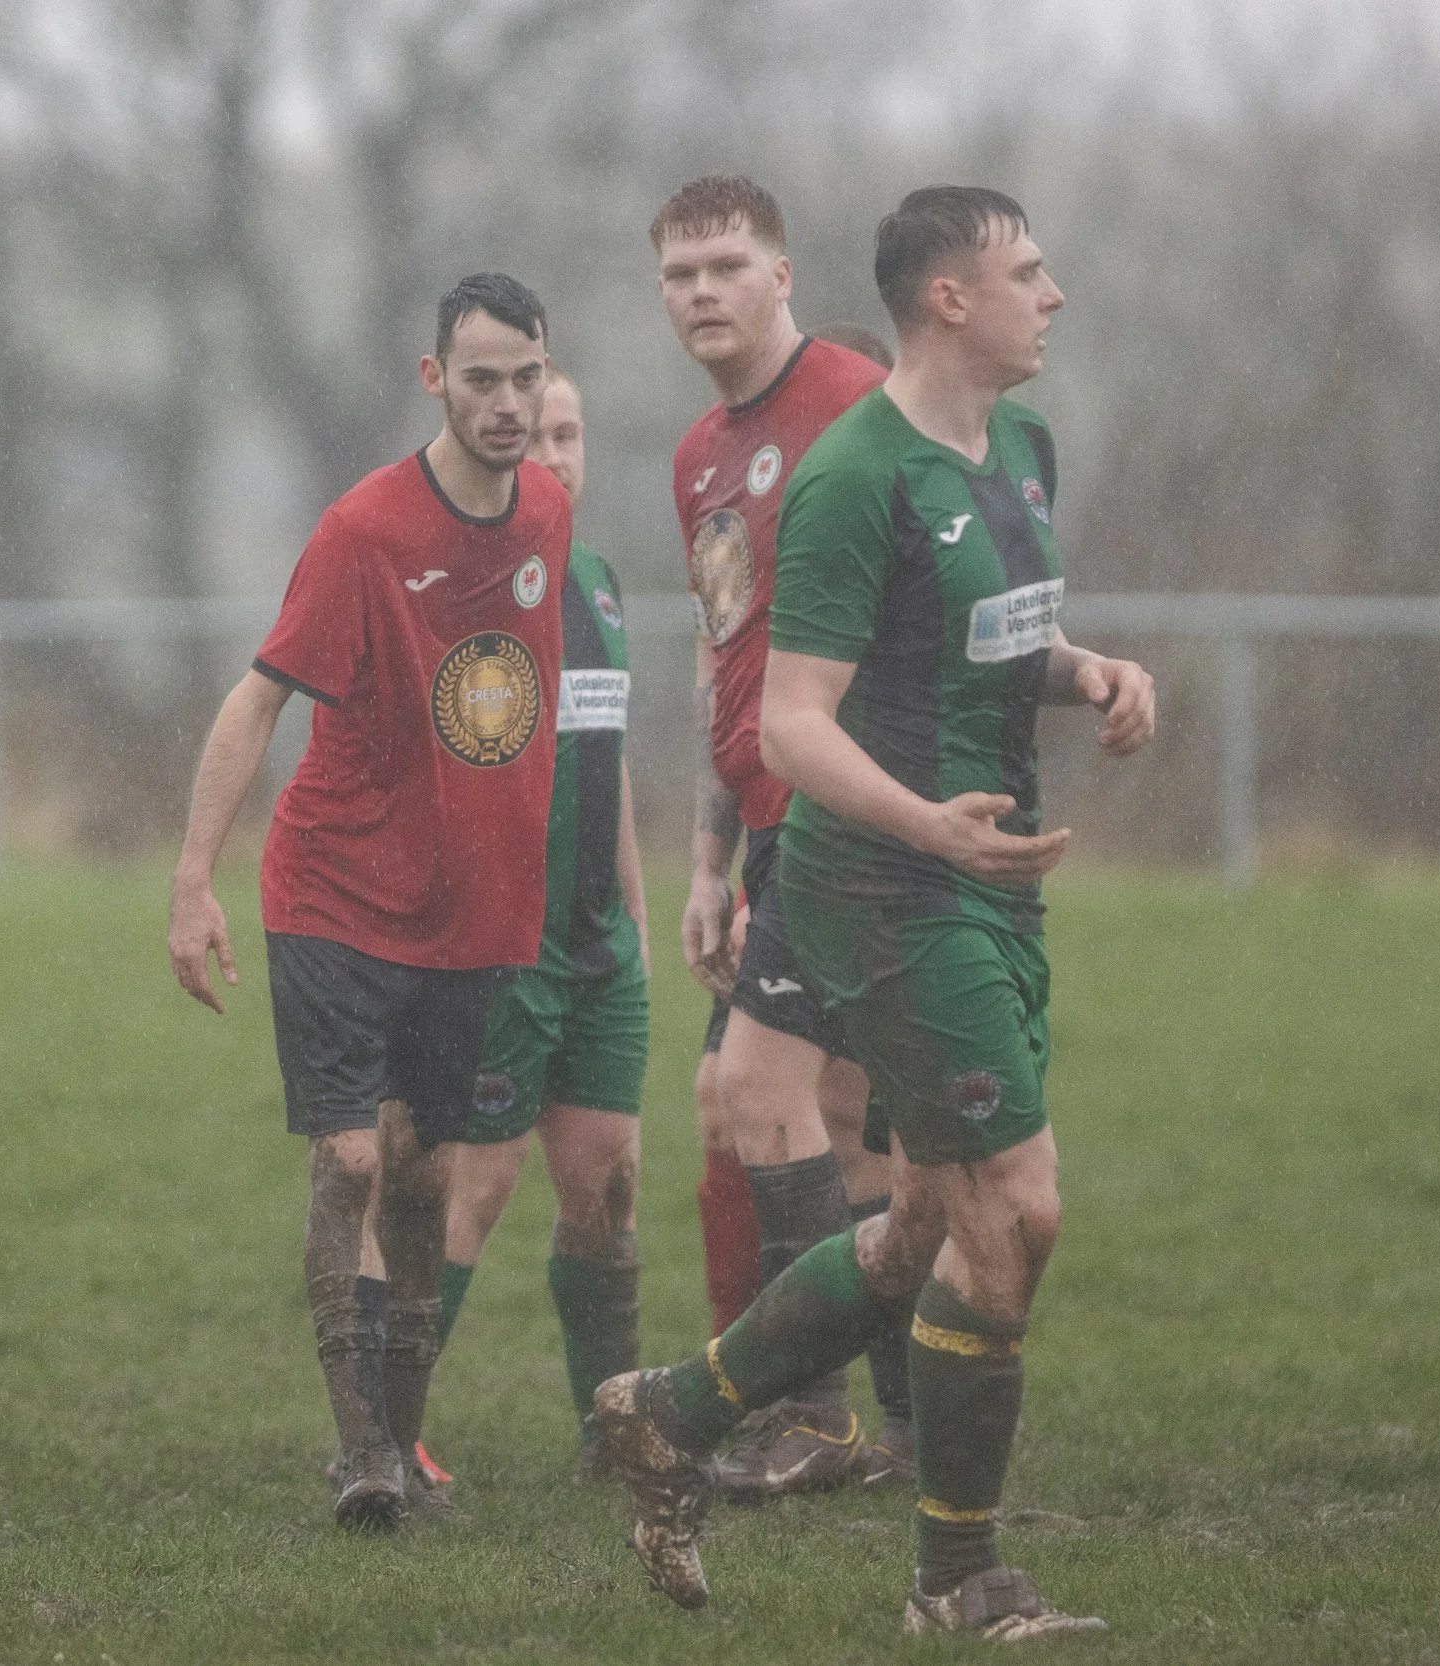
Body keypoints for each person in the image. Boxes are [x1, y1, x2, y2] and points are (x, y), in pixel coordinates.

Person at [594, 186, 1154, 1640]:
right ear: (951, 299)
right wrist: (927, 827)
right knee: (1015, 1210)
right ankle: (957, 1579)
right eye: (1031, 270)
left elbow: (973, 639)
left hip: (987, 879)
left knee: (918, 1227)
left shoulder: (1021, 444)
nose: (1058, 293)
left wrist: (1083, 668)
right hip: (889, 888)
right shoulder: (851, 474)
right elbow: (789, 724)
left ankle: (665, 1412)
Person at [167, 273, 571, 1532]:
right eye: (482, 377)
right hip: (335, 889)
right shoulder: (364, 531)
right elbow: (256, 700)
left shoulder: (549, 514)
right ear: (432, 379)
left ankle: (403, 1442)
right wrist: (193, 883)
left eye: (525, 378)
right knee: (349, 1154)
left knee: (424, 1170)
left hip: (472, 917)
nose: (506, 404)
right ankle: (361, 1459)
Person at [655, 176, 910, 1493]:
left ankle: (811, 1410)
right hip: (768, 828)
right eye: (679, 273)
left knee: (775, 1099)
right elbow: (722, 662)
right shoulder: (700, 454)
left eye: (725, 265)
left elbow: (918, 603)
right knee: (835, 1119)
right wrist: (709, 860)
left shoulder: (860, 403)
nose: (702, 291)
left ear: (782, 273)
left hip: (857, 816)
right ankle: (864, 1416)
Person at [433, 370, 649, 1478]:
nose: (557, 454)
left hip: (600, 955)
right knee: (472, 1187)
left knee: (606, 1184)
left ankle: (611, 1430)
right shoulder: (459, 588)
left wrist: (641, 928)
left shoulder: (602, 585)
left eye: (573, 432)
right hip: (495, 954)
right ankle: (384, 1437)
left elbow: (604, 778)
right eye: (539, 435)